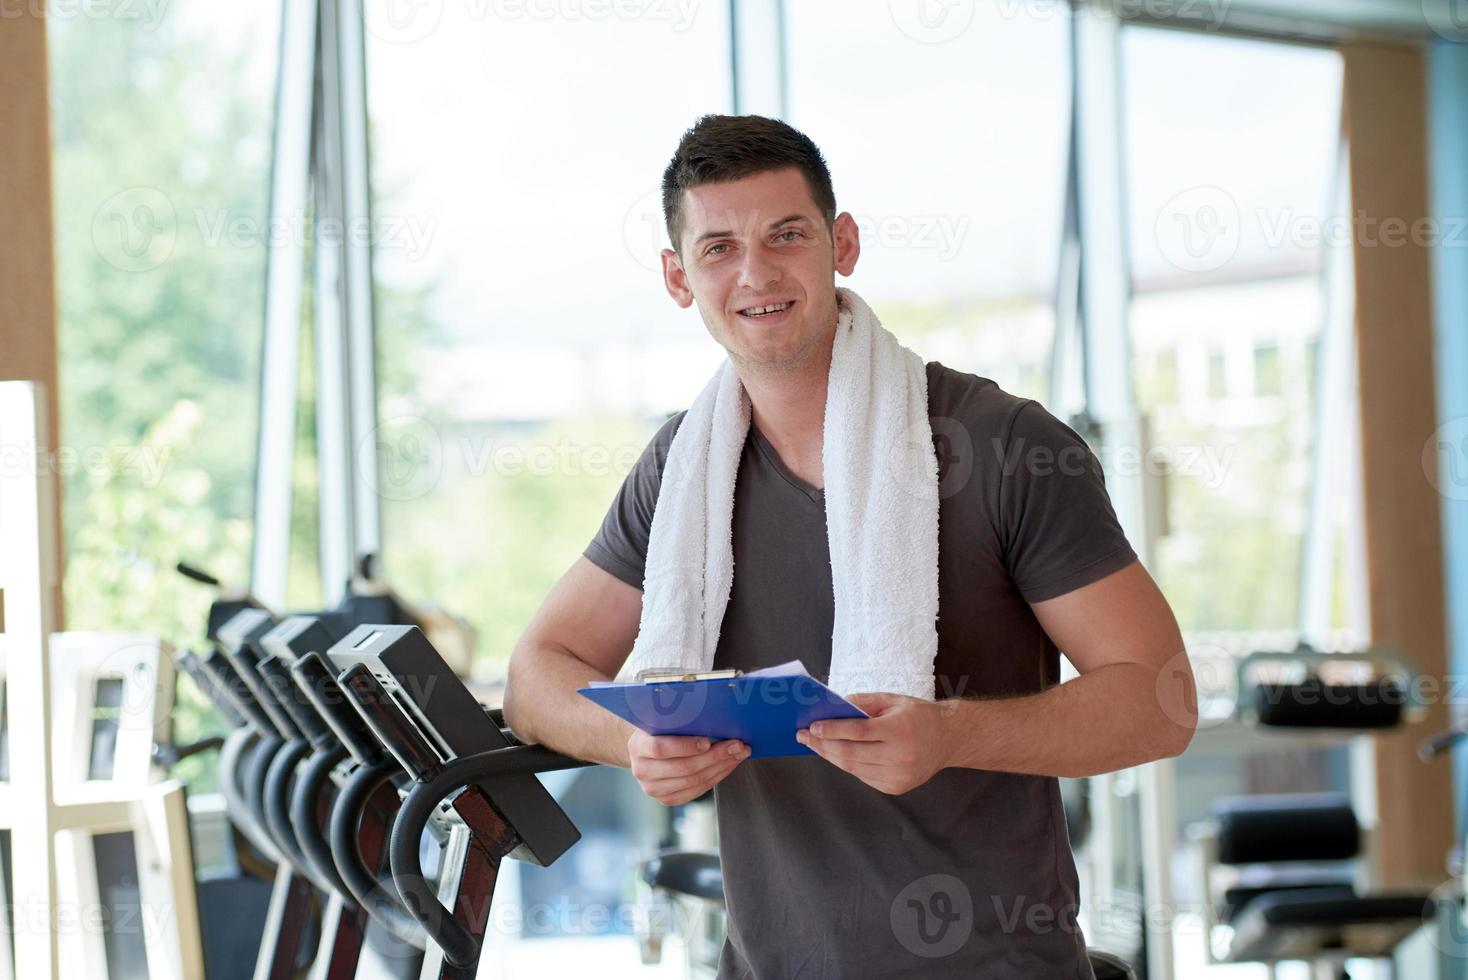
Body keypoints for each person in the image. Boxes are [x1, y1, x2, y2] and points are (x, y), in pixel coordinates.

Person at [502, 113, 1197, 979]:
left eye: (785, 235)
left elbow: (1159, 703)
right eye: (718, 247)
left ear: (843, 243)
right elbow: (536, 674)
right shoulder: (682, 470)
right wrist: (639, 745)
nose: (755, 272)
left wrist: (947, 735)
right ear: (679, 279)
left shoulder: (1002, 445)